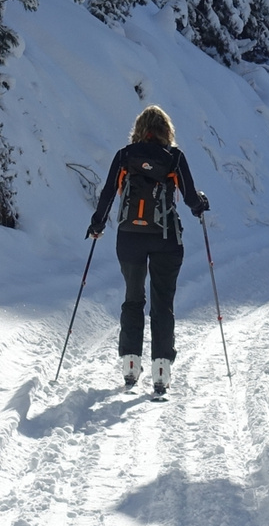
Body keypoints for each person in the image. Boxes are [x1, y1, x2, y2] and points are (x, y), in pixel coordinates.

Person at [88, 105, 209, 394]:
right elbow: (191, 198)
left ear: (139, 130)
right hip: (166, 239)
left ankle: (130, 364)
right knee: (162, 302)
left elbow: (107, 193)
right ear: (167, 131)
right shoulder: (174, 158)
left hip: (129, 238)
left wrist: (97, 225)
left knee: (133, 298)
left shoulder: (124, 156)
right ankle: (161, 370)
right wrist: (200, 204)